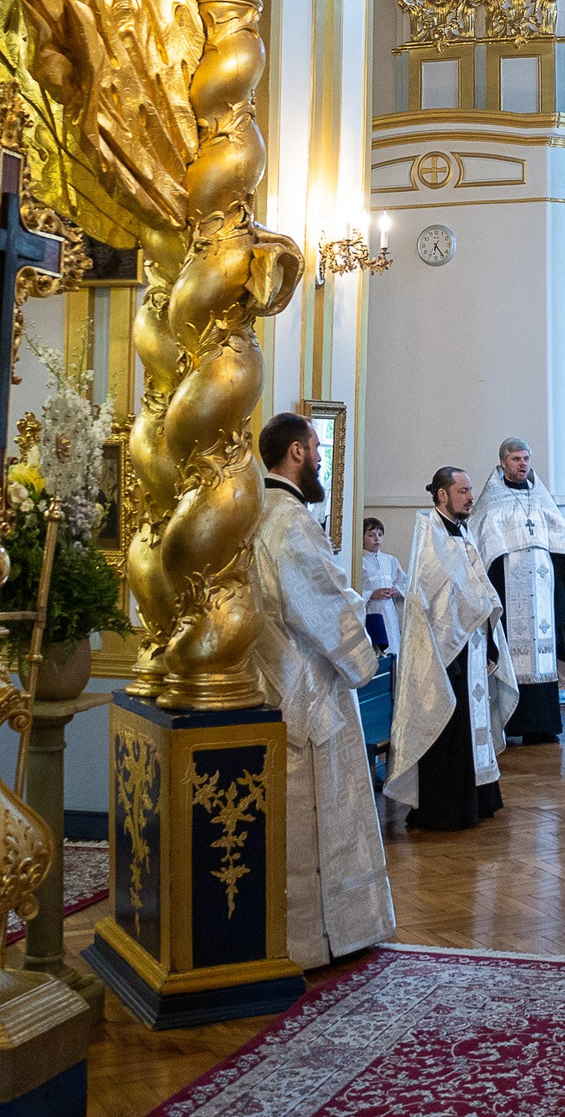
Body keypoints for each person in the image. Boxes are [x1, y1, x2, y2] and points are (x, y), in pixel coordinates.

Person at [252, 413, 396, 965]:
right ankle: (318, 936)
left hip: (275, 674)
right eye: (315, 448)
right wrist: (365, 643)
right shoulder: (288, 519)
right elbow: (323, 599)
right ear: (294, 452)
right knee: (317, 807)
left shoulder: (256, 513)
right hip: (308, 681)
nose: (319, 459)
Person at [386, 466, 517, 831]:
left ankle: (479, 799)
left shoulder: (463, 532)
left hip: (471, 644)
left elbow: (477, 586)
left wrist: (489, 634)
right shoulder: (428, 534)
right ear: (442, 495)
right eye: (463, 491)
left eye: (471, 490)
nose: (470, 496)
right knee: (448, 723)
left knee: (471, 721)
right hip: (443, 650)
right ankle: (445, 808)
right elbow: (431, 593)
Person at [469, 438, 565, 743]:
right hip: (508, 591)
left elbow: (560, 547)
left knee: (544, 655)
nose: (522, 464)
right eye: (516, 459)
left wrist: (563, 597)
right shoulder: (491, 501)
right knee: (511, 656)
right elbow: (484, 549)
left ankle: (544, 725)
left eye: (526, 458)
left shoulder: (542, 499)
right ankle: (512, 724)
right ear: (503, 462)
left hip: (543, 593)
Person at [357, 516, 404, 654]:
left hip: (389, 612)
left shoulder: (390, 560)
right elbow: (353, 589)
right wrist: (371, 594)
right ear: (362, 538)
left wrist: (397, 590)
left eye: (379, 534)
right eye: (371, 535)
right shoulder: (359, 562)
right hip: (371, 612)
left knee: (393, 647)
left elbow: (403, 582)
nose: (376, 538)